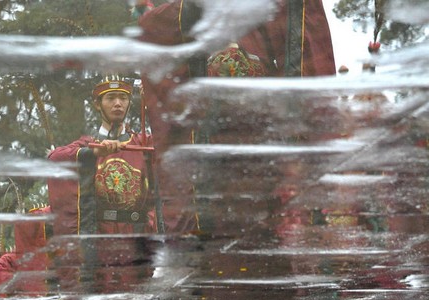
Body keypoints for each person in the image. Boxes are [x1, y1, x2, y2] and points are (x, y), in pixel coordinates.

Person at [134, 0, 337, 234]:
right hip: (211, 150)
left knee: (266, 230)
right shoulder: (188, 12)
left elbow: (301, 49)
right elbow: (152, 27)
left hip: (261, 146)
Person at [47, 76, 157, 237]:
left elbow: (173, 142)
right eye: (111, 98)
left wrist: (156, 100)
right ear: (98, 104)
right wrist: (94, 153)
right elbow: (55, 158)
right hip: (99, 236)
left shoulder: (143, 143)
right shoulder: (88, 145)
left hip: (138, 236)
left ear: (129, 103)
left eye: (123, 98)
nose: (118, 103)